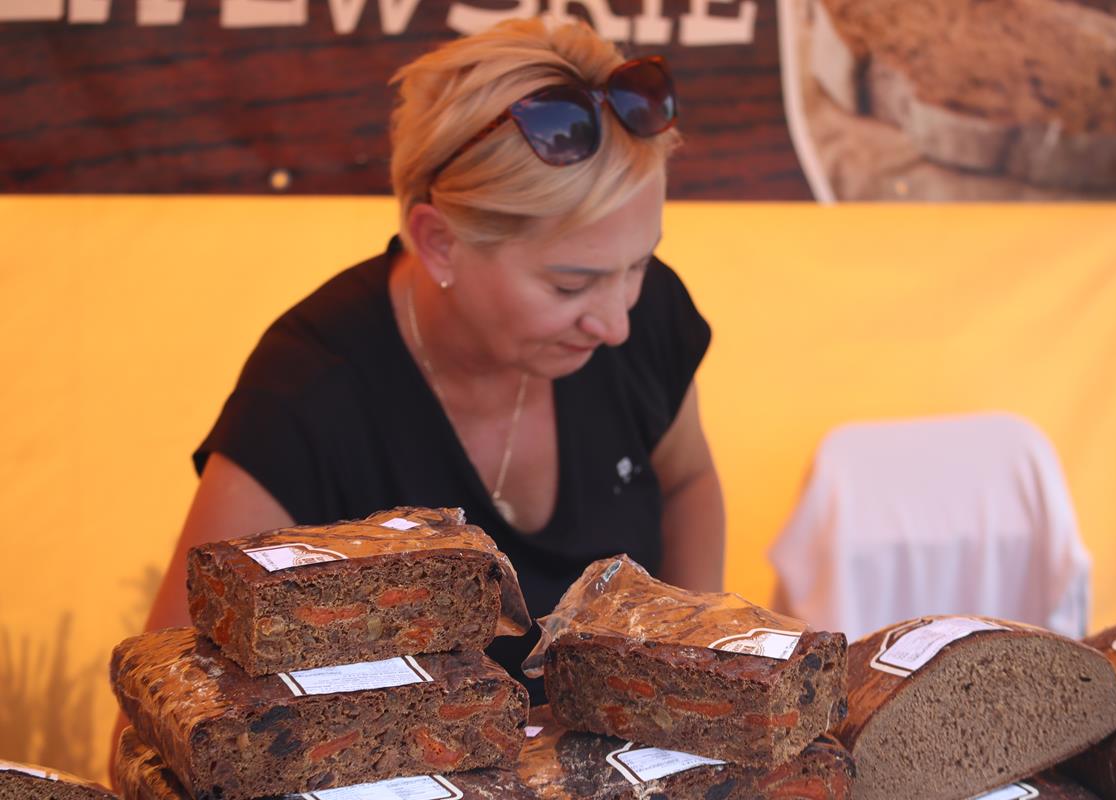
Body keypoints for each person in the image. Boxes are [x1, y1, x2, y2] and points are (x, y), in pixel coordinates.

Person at [139, 15, 723, 706]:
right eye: (570, 285)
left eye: (640, 263)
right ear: (439, 242)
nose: (617, 323)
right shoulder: (310, 394)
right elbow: (167, 695)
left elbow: (687, 481)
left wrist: (689, 675)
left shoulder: (648, 313)